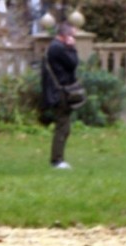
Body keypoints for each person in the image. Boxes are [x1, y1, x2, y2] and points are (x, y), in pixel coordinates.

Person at [41, 22, 80, 170]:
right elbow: (73, 63)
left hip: (58, 91)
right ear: (66, 35)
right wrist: (72, 48)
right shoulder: (58, 48)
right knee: (62, 126)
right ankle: (57, 160)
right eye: (72, 35)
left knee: (65, 126)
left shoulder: (54, 47)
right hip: (61, 92)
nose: (74, 38)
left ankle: (58, 158)